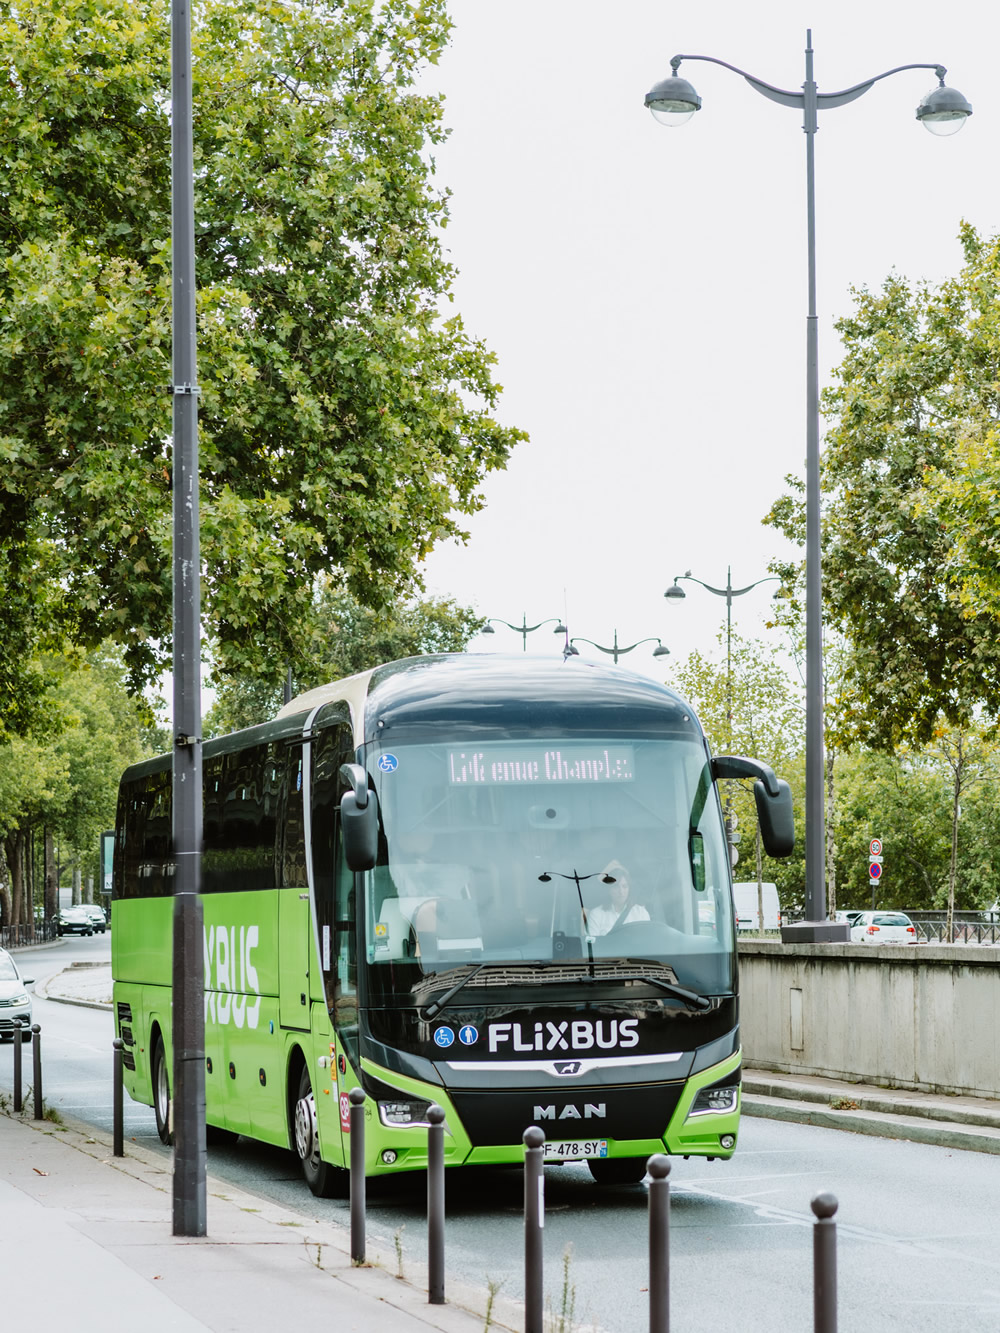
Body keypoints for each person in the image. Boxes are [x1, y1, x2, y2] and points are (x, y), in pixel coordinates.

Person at [587, 861, 650, 936]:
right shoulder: (596, 914)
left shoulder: (641, 913)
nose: (621, 891)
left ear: (629, 889)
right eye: (616, 886)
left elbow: (647, 941)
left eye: (624, 886)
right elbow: (591, 944)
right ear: (608, 889)